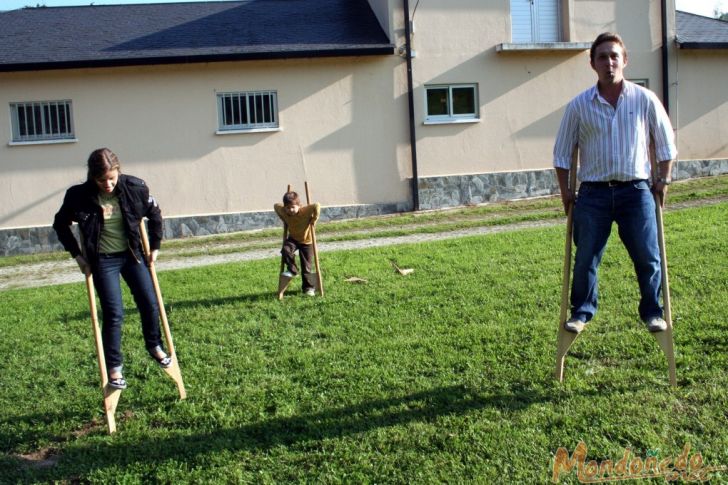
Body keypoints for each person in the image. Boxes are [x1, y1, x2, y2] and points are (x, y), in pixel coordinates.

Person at [553, 32, 677, 335]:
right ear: (592, 63)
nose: (609, 62)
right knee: (584, 259)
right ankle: (581, 312)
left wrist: (663, 179)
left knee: (649, 257)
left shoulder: (644, 99)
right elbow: (562, 153)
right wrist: (566, 192)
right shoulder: (578, 106)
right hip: (593, 194)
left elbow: (666, 143)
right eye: (602, 57)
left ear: (624, 60)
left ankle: (652, 312)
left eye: (614, 56)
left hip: (635, 191)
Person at [53, 148, 172, 389]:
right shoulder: (78, 196)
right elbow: (60, 224)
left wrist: (156, 247)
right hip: (103, 260)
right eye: (101, 180)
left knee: (149, 303)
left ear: (118, 172)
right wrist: (78, 256)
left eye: (111, 178)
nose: (107, 184)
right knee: (114, 313)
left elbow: (155, 214)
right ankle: (115, 369)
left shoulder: (135, 188)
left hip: (132, 255)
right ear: (92, 177)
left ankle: (154, 345)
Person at [274, 191, 321, 296]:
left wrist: (315, 218)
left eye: (293, 207)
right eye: (287, 208)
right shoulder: (284, 211)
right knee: (285, 250)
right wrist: (282, 217)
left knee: (307, 267)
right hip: (293, 239)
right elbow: (276, 206)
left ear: (299, 206)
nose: (290, 210)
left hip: (307, 241)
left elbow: (317, 205)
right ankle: (293, 270)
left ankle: (308, 288)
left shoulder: (305, 211)